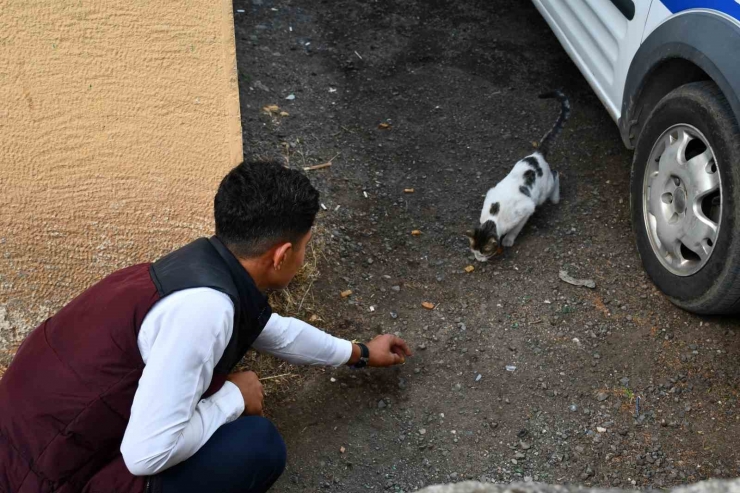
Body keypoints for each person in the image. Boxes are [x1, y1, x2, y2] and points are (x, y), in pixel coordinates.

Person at [0, 161, 412, 493]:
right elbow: (146, 455)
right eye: (305, 248)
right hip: (38, 478)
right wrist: (232, 397)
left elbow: (276, 331)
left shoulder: (197, 270)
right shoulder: (206, 311)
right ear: (282, 255)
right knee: (256, 445)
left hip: (30, 445)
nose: (303, 258)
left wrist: (359, 353)